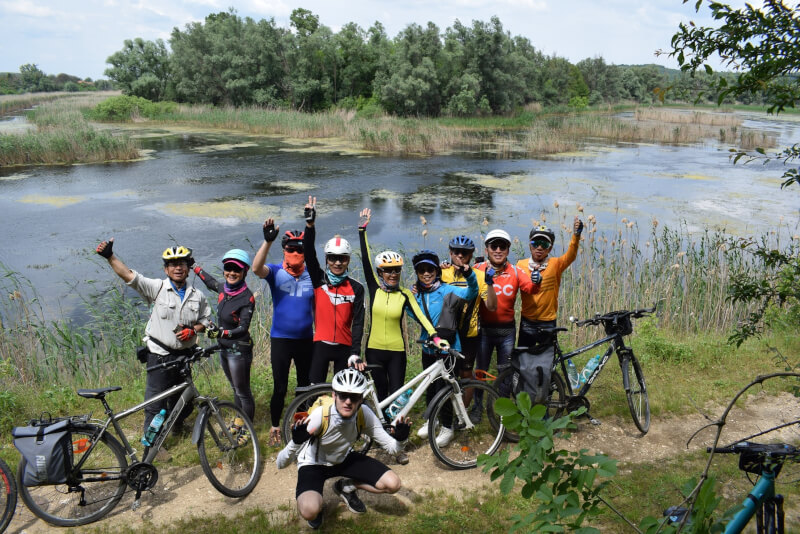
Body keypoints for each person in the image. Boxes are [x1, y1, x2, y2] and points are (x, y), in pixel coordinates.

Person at [95, 239, 211, 434]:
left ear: (188, 268)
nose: (178, 268)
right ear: (166, 270)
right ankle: (152, 443)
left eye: (181, 264)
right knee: (155, 402)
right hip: (159, 356)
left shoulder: (197, 295)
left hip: (184, 357)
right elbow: (130, 276)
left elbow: (207, 320)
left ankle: (176, 427)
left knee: (185, 399)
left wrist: (195, 329)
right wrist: (110, 256)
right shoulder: (156, 288)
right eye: (173, 265)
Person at [277, 368, 410, 529]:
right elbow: (280, 463)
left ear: (361, 398)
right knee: (309, 511)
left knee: (393, 484)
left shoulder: (364, 414)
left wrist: (401, 440)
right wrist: (295, 443)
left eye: (354, 397)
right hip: (314, 464)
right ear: (334, 395)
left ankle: (345, 487)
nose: (348, 401)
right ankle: (317, 507)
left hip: (343, 459)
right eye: (343, 396)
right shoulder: (320, 416)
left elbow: (392, 448)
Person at [358, 208, 441, 464]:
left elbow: (422, 318)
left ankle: (396, 445)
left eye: (396, 270)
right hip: (374, 351)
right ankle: (381, 437)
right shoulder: (374, 288)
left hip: (397, 353)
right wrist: (362, 232)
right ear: (381, 272)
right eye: (388, 270)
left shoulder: (405, 294)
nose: (393, 274)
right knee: (381, 399)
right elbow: (364, 258)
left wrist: (436, 337)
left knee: (397, 401)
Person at [252, 217, 314, 446]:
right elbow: (256, 268)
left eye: (300, 249)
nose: (295, 252)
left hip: (306, 339)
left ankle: (301, 423)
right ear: (284, 249)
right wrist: (267, 242)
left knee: (305, 385)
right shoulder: (276, 272)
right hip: (281, 339)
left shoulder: (312, 274)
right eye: (291, 249)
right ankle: (276, 425)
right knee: (280, 386)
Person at [409, 249, 478, 446]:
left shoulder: (447, 290)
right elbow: (412, 312)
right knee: (430, 388)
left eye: (430, 269)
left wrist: (469, 274)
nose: (426, 273)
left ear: (437, 271)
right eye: (421, 270)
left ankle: (447, 428)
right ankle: (433, 420)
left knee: (446, 390)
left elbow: (471, 292)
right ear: (418, 273)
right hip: (428, 348)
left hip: (448, 349)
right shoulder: (417, 295)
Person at [472, 229, 540, 417]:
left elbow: (531, 289)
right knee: (481, 371)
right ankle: (477, 407)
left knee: (506, 373)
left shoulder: (516, 272)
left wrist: (537, 280)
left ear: (508, 250)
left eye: (503, 246)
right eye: (494, 246)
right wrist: (445, 267)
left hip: (506, 332)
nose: (498, 250)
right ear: (487, 249)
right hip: (484, 330)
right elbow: (458, 278)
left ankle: (502, 412)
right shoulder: (478, 269)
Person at [302, 196, 366, 383]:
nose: (337, 262)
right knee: (313, 393)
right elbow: (308, 253)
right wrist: (310, 226)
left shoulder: (356, 288)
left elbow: (358, 323)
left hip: (344, 348)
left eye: (342, 258)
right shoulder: (319, 280)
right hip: (321, 345)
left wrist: (355, 352)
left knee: (343, 391)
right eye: (332, 258)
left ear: (348, 260)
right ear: (327, 259)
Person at [193, 249, 256, 423]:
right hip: (225, 348)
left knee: (243, 392)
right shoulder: (223, 289)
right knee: (235, 389)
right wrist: (194, 266)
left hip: (239, 351)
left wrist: (222, 333)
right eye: (228, 268)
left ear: (245, 271)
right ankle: (238, 420)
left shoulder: (247, 298)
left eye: (236, 270)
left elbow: (243, 328)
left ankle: (247, 428)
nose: (232, 273)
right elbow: (210, 282)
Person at [516, 217, 584, 348]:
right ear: (530, 245)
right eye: (536, 243)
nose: (539, 247)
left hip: (548, 322)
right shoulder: (520, 265)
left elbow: (571, 255)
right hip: (527, 322)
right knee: (523, 359)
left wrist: (576, 235)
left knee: (548, 360)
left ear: (550, 248)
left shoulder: (556, 264)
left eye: (544, 244)